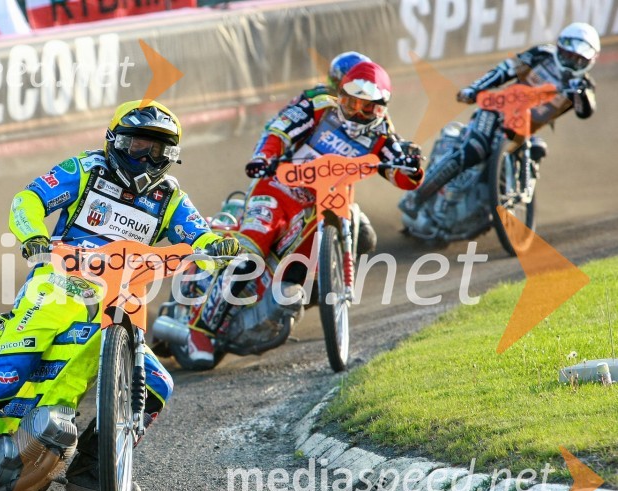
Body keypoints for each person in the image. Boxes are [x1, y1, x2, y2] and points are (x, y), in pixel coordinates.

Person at [0, 100, 240, 491]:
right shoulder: (85, 168)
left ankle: (92, 468)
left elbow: (199, 235)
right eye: (137, 145)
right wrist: (33, 236)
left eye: (157, 150)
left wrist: (217, 246)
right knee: (10, 369)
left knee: (159, 383)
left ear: (170, 155)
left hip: (120, 297)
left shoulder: (169, 196)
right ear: (115, 141)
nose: (145, 157)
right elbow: (28, 199)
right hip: (58, 283)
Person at [186, 62, 425, 368]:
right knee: (248, 254)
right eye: (351, 103)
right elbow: (278, 130)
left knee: (355, 240)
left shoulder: (382, 134)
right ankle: (200, 330)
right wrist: (264, 157)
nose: (356, 113)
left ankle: (307, 295)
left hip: (324, 205)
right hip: (278, 190)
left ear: (380, 108)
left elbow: (401, 174)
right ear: (340, 95)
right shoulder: (319, 108)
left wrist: (413, 168)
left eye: (366, 107)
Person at [399, 22, 599, 218]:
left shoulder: (583, 85)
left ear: (589, 61)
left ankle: (511, 197)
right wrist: (474, 89)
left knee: (538, 148)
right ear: (560, 48)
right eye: (568, 54)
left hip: (524, 128)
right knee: (474, 149)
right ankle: (417, 197)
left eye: (578, 59)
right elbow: (505, 70)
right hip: (497, 111)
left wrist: (579, 94)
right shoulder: (541, 54)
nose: (570, 62)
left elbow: (585, 111)